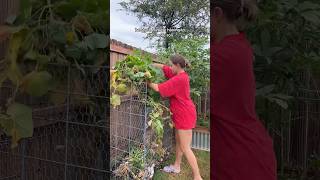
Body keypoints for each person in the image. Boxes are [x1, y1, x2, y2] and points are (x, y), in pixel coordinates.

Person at [211, 0, 277, 180]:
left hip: (237, 163)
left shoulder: (221, 56)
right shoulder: (239, 46)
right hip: (247, 152)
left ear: (217, 14)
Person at [148, 54, 202, 180]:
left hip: (185, 114)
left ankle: (197, 176)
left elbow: (157, 88)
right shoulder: (178, 74)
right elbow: (164, 67)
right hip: (180, 113)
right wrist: (150, 65)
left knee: (185, 147)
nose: (170, 67)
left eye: (172, 64)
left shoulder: (179, 79)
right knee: (179, 141)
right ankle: (176, 166)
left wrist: (146, 79)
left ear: (177, 66)